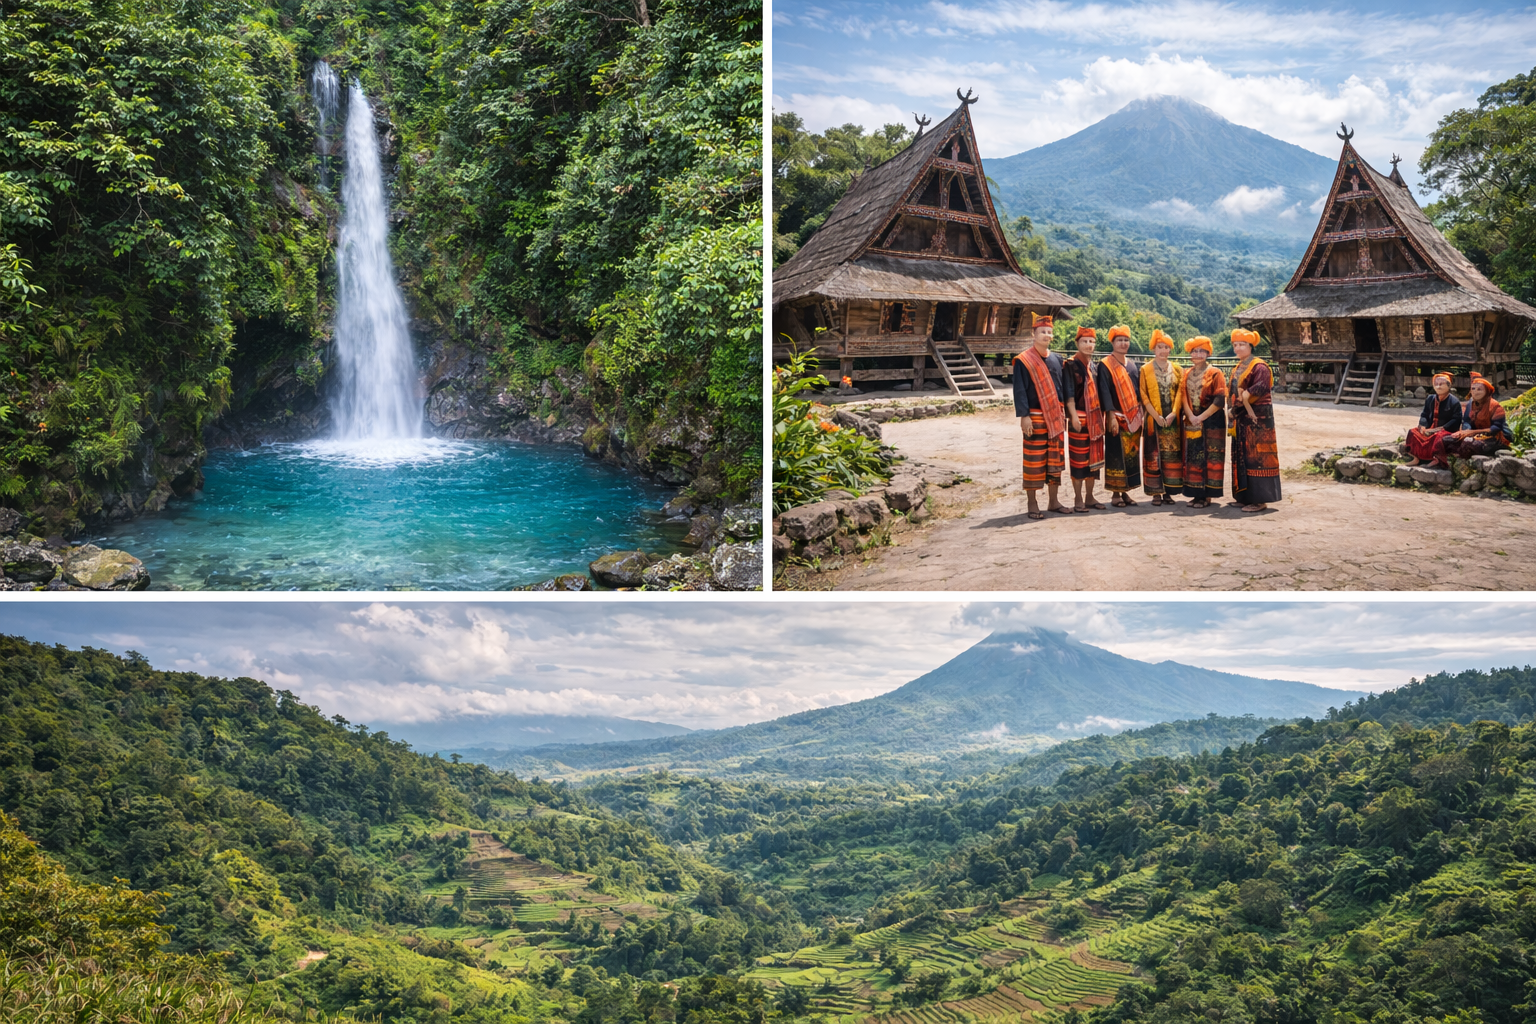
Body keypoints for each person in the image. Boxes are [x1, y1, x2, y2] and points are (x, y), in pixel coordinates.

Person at [1012, 313, 1072, 519]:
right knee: (1034, 461)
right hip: (1035, 417)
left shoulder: (1057, 359)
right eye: (1042, 332)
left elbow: (1062, 388)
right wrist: (1024, 416)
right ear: (1033, 333)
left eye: (1049, 332)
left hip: (1056, 416)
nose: (1046, 335)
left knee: (1055, 461)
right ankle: (1032, 502)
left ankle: (1054, 502)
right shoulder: (1023, 360)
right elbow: (1019, 390)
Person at [1227, 328, 1282, 512]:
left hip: (1258, 420)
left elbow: (1258, 389)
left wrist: (1235, 408)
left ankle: (1259, 500)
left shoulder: (1260, 367)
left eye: (1242, 344)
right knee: (1242, 457)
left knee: (1257, 458)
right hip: (1241, 420)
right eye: (1235, 344)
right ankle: (1244, 496)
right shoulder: (1238, 367)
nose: (1238, 348)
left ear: (1250, 346)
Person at [1095, 325, 1143, 506]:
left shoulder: (1132, 364)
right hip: (1116, 416)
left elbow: (1137, 390)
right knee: (1116, 454)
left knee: (1131, 455)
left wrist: (1141, 412)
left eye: (1126, 340)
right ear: (1112, 342)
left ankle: (1126, 492)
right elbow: (1104, 391)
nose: (1123, 343)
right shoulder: (1106, 364)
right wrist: (1111, 415)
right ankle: (1115, 493)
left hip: (1133, 417)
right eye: (1119, 340)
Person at [1180, 336, 1227, 508]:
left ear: (1208, 353)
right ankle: (1195, 493)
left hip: (1212, 420)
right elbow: (1182, 396)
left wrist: (1201, 417)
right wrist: (1191, 415)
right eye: (1195, 351)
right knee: (1193, 457)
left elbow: (1220, 399)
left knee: (1211, 457)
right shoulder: (1186, 373)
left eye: (1202, 351)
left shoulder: (1216, 373)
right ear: (1190, 353)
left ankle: (1207, 496)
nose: (1198, 354)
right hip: (1192, 420)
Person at [1138, 329, 1184, 506]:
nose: (1163, 350)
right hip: (1153, 420)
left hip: (1173, 420)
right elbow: (1143, 393)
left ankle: (1169, 493)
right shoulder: (1145, 369)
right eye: (1159, 347)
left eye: (1166, 347)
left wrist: (1174, 412)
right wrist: (1155, 415)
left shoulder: (1178, 369)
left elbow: (1181, 392)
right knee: (1153, 455)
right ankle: (1155, 493)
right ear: (1153, 348)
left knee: (1171, 456)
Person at [1064, 326, 1106, 512]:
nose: (1088, 345)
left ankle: (1090, 496)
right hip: (1079, 417)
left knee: (1093, 461)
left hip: (1095, 419)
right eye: (1084, 342)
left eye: (1091, 342)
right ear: (1077, 343)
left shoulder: (1094, 367)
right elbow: (1069, 393)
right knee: (1078, 459)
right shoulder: (1070, 365)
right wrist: (1073, 415)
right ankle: (1078, 497)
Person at [1430, 372, 1512, 464]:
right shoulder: (1471, 404)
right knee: (1444, 440)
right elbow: (1466, 422)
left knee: (1469, 444)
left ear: (1487, 391)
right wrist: (1465, 433)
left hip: (1494, 438)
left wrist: (1472, 432)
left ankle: (1457, 456)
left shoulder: (1495, 407)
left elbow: (1496, 428)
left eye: (1479, 389)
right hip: (1474, 436)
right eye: (1473, 389)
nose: (1475, 391)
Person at [1403, 372, 1462, 466]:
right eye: (1436, 384)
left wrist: (1440, 429)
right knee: (1413, 432)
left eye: (1441, 384)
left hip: (1445, 430)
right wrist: (1423, 426)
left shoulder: (1454, 402)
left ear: (1448, 386)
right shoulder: (1430, 399)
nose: (1438, 387)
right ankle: (1416, 457)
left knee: (1438, 437)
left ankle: (1436, 458)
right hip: (1430, 428)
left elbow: (1456, 420)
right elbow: (1424, 414)